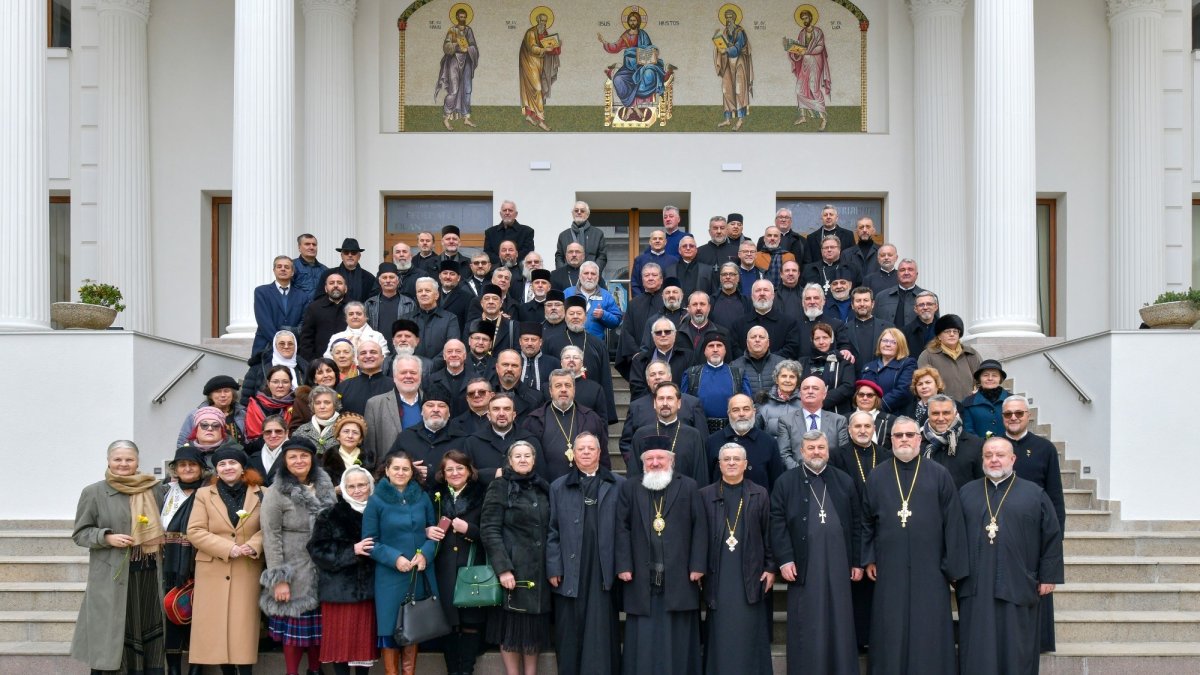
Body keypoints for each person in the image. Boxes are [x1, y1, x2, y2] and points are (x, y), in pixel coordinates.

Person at [861, 417, 969, 675]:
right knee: (891, 625)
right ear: (891, 440)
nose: (905, 440)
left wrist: (952, 566)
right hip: (889, 564)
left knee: (928, 625)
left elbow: (953, 523)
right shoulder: (878, 475)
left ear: (920, 439)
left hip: (931, 566)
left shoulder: (939, 474)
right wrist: (869, 557)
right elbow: (866, 521)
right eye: (899, 436)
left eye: (910, 434)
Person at [957, 437, 1064, 675]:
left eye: (1000, 455)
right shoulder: (966, 493)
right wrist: (954, 572)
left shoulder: (1035, 494)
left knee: (1016, 648)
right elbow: (952, 536)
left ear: (1013, 459)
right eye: (988, 455)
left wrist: (1049, 576)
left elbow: (1051, 536)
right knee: (977, 646)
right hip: (976, 584)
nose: (994, 460)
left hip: (1019, 582)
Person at [71, 440, 166, 675]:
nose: (123, 464)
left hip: (149, 574)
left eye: (129, 459)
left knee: (149, 631)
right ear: (108, 461)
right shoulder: (93, 492)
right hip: (112, 576)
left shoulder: (154, 489)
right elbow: (80, 534)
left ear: (137, 462)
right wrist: (107, 537)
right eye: (118, 459)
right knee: (113, 635)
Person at [770, 431, 861, 675]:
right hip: (803, 565)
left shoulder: (844, 481)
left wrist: (857, 562)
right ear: (801, 452)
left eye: (821, 447)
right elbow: (776, 523)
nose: (816, 452)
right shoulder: (785, 482)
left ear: (828, 450)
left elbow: (857, 522)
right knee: (807, 622)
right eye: (810, 448)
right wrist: (785, 559)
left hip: (840, 564)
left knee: (840, 622)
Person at [616, 436, 707, 675]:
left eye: (660, 458)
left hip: (679, 575)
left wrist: (698, 565)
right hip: (641, 575)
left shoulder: (688, 486)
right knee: (643, 638)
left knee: (678, 637)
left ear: (671, 460)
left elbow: (700, 527)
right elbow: (621, 527)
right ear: (643, 462)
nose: (655, 463)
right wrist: (623, 564)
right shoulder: (630, 486)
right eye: (650, 459)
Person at [547, 432, 624, 675]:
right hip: (571, 568)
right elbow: (552, 530)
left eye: (592, 448)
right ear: (573, 454)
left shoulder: (618, 485)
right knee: (570, 629)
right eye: (581, 449)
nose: (587, 452)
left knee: (601, 629)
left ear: (600, 453)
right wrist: (554, 567)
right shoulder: (558, 486)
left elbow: (625, 530)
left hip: (604, 566)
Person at [259, 437, 336, 675]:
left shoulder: (325, 486)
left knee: (318, 630)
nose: (299, 461)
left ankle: (315, 671)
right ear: (285, 460)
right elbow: (270, 536)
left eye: (304, 456)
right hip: (293, 568)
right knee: (295, 630)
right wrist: (279, 578)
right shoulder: (275, 492)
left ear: (312, 459)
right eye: (293, 456)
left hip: (323, 567)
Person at [186, 445, 265, 673]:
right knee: (216, 628)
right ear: (216, 470)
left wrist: (253, 545)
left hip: (247, 568)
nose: (227, 467)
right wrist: (227, 548)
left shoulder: (262, 493)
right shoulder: (203, 494)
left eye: (232, 463)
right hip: (213, 569)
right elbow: (195, 530)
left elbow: (270, 528)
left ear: (242, 468)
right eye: (222, 464)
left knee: (243, 628)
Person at [480, 441, 553, 675]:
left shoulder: (543, 487)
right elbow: (489, 529)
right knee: (511, 628)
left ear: (534, 460)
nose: (522, 460)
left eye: (527, 456)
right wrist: (503, 568)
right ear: (509, 461)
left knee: (533, 629)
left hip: (539, 570)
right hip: (513, 569)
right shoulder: (499, 486)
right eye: (517, 456)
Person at [1002, 395, 1067, 654]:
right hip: (1001, 529)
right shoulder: (992, 446)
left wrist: (1056, 540)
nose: (1014, 418)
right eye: (1008, 414)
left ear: (1028, 415)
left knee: (1038, 589)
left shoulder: (1044, 448)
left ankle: (1038, 641)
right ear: (1002, 418)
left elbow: (1055, 498)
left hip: (1036, 532)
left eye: (1019, 413)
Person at [700, 443, 773, 675]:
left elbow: (768, 533)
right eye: (726, 459)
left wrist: (771, 568)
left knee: (748, 633)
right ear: (719, 464)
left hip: (750, 575)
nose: (731, 463)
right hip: (717, 575)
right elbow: (697, 537)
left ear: (745, 464)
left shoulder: (759, 493)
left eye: (736, 459)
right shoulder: (705, 495)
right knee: (721, 633)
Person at [364, 451, 436, 675]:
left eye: (406, 469)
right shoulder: (376, 500)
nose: (401, 473)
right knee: (389, 630)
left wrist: (425, 553)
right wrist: (394, 558)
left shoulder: (422, 497)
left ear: (412, 472)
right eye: (396, 468)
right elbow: (369, 543)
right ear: (386, 470)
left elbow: (433, 534)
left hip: (417, 574)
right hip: (389, 577)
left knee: (412, 629)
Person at [308, 465, 379, 675]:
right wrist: (351, 551)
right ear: (344, 488)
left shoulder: (379, 512)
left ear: (370, 486)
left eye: (362, 485)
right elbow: (317, 549)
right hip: (339, 590)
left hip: (371, 590)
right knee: (340, 648)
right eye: (352, 486)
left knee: (363, 647)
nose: (357, 490)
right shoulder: (330, 515)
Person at [829, 410, 891, 651]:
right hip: (850, 527)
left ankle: (877, 638)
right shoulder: (837, 456)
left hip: (880, 526)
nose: (863, 430)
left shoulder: (886, 455)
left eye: (867, 426)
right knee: (855, 589)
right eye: (858, 427)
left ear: (874, 429)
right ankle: (854, 640)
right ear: (849, 430)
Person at [424, 451, 490, 675]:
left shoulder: (482, 494)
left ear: (469, 471)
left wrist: (469, 530)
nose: (455, 473)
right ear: (442, 473)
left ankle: (466, 670)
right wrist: (427, 530)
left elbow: (492, 531)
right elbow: (420, 523)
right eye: (449, 469)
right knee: (448, 623)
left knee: (471, 622)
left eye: (460, 468)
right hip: (443, 568)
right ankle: (453, 671)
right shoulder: (434, 495)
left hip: (471, 567)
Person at [160, 446, 207, 675]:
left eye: (192, 464)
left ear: (201, 468)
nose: (187, 468)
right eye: (182, 465)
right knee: (172, 613)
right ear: (175, 469)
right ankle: (174, 668)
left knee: (202, 618)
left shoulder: (210, 491)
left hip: (203, 562)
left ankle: (196, 668)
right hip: (171, 564)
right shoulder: (165, 493)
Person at [523, 369, 608, 480]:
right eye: (558, 386)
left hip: (584, 486)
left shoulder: (591, 418)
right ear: (550, 391)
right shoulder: (533, 420)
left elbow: (603, 456)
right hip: (546, 488)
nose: (563, 389)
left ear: (574, 389)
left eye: (568, 385)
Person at [629, 382, 711, 485]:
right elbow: (634, 475)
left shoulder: (693, 435)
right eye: (661, 398)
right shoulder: (641, 435)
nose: (665, 403)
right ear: (654, 403)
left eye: (670, 398)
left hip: (684, 497)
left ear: (679, 403)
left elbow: (700, 476)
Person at [706, 394, 785, 493]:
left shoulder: (769, 442)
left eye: (746, 409)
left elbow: (776, 483)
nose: (741, 414)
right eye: (735, 410)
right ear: (729, 413)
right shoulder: (713, 441)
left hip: (759, 506)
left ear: (754, 412)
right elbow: (706, 480)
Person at [597, 8, 668, 110]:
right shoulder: (625, 36)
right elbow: (615, 47)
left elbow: (649, 48)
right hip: (629, 67)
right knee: (618, 79)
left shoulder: (643, 34)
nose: (632, 22)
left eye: (634, 20)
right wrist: (604, 42)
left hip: (643, 64)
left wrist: (654, 51)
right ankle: (630, 106)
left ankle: (641, 104)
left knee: (649, 74)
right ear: (628, 22)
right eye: (630, 20)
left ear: (638, 21)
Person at [777, 376, 850, 469]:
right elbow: (784, 454)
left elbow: (843, 454)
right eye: (806, 388)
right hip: (798, 477)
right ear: (800, 394)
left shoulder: (838, 421)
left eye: (815, 388)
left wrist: (827, 473)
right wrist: (802, 473)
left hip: (830, 476)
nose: (810, 391)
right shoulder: (786, 421)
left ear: (824, 394)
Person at [363, 355, 424, 462]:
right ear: (395, 377)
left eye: (413, 372)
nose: (408, 376)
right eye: (403, 372)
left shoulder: (432, 403)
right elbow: (370, 447)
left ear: (420, 376)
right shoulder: (375, 404)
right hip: (389, 472)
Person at [916, 314, 980, 402]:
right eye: (947, 331)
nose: (952, 334)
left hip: (970, 406)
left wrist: (978, 392)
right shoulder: (927, 355)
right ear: (939, 336)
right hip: (941, 408)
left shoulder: (971, 354)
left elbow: (982, 378)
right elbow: (923, 384)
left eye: (955, 331)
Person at [436, 6, 479, 130]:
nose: (463, 19)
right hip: (454, 61)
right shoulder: (452, 30)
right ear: (457, 18)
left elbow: (474, 47)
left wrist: (469, 49)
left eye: (464, 17)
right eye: (461, 17)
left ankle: (466, 118)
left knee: (467, 90)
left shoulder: (469, 30)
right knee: (453, 91)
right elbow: (446, 46)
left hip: (467, 61)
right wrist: (457, 47)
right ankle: (446, 117)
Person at [798, 322, 856, 413]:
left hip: (838, 413)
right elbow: (798, 386)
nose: (821, 342)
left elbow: (848, 387)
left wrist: (820, 401)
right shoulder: (802, 363)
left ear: (832, 340)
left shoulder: (843, 361)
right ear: (812, 341)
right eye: (817, 338)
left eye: (825, 337)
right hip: (808, 412)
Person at [253, 255, 306, 356]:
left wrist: (289, 342)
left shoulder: (302, 295)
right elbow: (264, 321)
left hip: (293, 348)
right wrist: (280, 343)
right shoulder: (261, 292)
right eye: (279, 266)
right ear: (274, 270)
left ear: (292, 272)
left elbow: (304, 321)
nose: (283, 269)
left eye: (287, 267)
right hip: (266, 347)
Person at [241, 329, 308, 408]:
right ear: (275, 346)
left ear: (296, 346)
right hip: (265, 415)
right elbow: (246, 400)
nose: (286, 346)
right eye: (282, 344)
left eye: (290, 344)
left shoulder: (305, 368)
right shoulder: (258, 368)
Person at [178, 374, 247, 447]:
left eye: (226, 391)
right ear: (210, 396)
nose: (223, 395)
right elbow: (182, 443)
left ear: (233, 394)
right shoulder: (195, 415)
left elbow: (248, 441)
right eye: (218, 391)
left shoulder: (242, 414)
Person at [860, 328, 917, 414]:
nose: (888, 344)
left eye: (893, 342)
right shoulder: (868, 367)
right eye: (885, 341)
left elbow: (903, 391)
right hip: (868, 416)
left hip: (895, 417)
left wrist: (876, 407)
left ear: (900, 345)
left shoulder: (908, 364)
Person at [713, 7, 753, 129]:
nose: (728, 20)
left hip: (739, 62)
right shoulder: (725, 32)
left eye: (730, 18)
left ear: (734, 18)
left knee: (739, 90)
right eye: (726, 18)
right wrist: (718, 44)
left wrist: (726, 49)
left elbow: (738, 47)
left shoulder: (740, 32)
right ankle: (727, 119)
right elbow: (721, 46)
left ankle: (740, 119)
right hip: (727, 63)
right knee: (727, 89)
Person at [299, 272, 350, 362]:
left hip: (349, 363)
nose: (335, 285)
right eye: (331, 283)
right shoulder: (314, 308)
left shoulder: (354, 308)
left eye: (339, 283)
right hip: (321, 363)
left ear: (345, 288)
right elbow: (306, 339)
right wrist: (313, 362)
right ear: (326, 288)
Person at [961, 359, 1012, 438]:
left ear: (1000, 379)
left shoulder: (1013, 400)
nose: (990, 378)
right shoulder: (968, 402)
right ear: (979, 379)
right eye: (985, 375)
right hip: (979, 448)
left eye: (994, 375)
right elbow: (968, 431)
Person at [245, 365, 296, 441]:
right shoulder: (255, 405)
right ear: (268, 384)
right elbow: (252, 435)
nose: (280, 386)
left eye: (285, 382)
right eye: (275, 382)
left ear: (291, 384)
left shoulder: (297, 405)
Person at [555, 201, 608, 272]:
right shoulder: (563, 235)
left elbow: (602, 256)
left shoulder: (598, 234)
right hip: (568, 276)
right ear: (572, 214)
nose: (579, 212)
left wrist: (594, 271)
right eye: (576, 210)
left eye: (582, 211)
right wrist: (562, 272)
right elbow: (559, 257)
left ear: (587, 215)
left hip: (590, 277)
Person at [757, 359, 804, 437]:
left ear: (797, 381)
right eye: (784, 376)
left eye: (792, 377)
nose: (787, 380)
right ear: (776, 380)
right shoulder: (764, 402)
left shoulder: (805, 403)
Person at [291, 385, 341, 457]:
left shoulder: (344, 428)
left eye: (327, 402)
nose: (322, 406)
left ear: (335, 405)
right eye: (317, 403)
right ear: (312, 406)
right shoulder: (300, 431)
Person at [323, 413, 372, 486]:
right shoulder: (326, 459)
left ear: (360, 439)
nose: (350, 436)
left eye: (355, 432)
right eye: (346, 431)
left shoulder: (371, 458)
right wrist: (334, 490)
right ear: (338, 436)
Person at [852, 379, 895, 451]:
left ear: (876, 399)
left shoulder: (891, 420)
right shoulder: (844, 419)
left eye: (870, 395)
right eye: (861, 395)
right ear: (856, 397)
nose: (865, 398)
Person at [248, 414, 289, 487]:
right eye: (268, 432)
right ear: (263, 435)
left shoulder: (296, 455)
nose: (273, 435)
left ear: (286, 433)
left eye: (278, 431)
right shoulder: (254, 458)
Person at [293, 233, 327, 309]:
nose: (311, 247)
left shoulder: (325, 270)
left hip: (319, 313)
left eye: (314, 245)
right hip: (298, 313)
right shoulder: (292, 266)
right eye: (307, 244)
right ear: (299, 248)